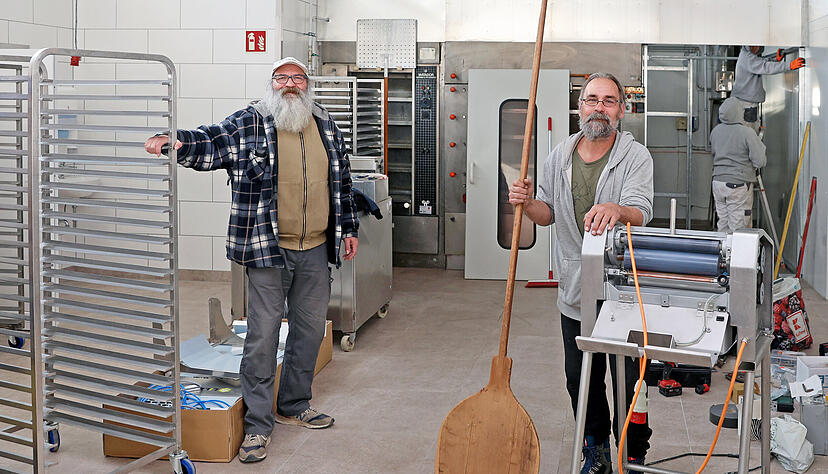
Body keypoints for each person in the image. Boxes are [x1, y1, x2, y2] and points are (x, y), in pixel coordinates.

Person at [144, 57, 358, 464]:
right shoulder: (251, 122)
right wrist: (175, 141)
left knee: (310, 331)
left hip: (315, 248)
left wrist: (348, 229)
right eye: (282, 78)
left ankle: (294, 404)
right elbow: (212, 142)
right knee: (261, 338)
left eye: (298, 78)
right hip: (267, 250)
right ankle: (258, 427)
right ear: (271, 84)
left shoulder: (325, 123)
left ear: (308, 84)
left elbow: (341, 181)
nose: (290, 85)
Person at [508, 72, 654, 474]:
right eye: (592, 99)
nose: (599, 107)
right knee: (581, 380)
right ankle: (597, 449)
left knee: (629, 381)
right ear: (580, 107)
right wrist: (524, 202)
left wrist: (617, 210)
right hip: (576, 290)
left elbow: (641, 210)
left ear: (621, 110)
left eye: (609, 101)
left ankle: (633, 451)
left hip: (624, 290)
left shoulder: (635, 156)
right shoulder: (560, 154)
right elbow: (547, 212)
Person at [710, 97, 767, 233]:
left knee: (723, 224)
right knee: (739, 229)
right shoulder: (747, 132)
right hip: (738, 185)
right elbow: (760, 161)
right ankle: (737, 254)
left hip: (718, 183)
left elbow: (714, 153)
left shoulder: (715, 131)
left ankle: (722, 253)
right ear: (739, 112)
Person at [732, 45, 805, 133]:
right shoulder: (747, 58)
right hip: (747, 105)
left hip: (747, 103)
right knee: (750, 134)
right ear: (750, 46)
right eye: (755, 46)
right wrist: (789, 66)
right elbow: (765, 67)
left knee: (750, 133)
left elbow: (760, 63)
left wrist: (776, 60)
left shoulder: (747, 56)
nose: (757, 48)